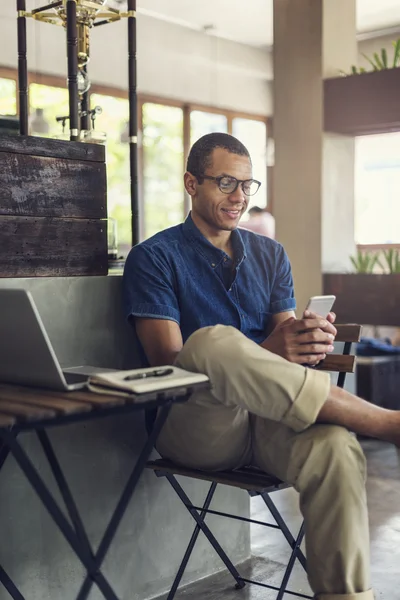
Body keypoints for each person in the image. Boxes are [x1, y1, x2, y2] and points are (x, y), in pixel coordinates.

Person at [123, 132, 400, 600]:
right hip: (197, 423)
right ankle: (385, 423)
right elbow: (170, 365)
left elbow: (285, 346)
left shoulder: (270, 255)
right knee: (210, 343)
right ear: (192, 183)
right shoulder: (154, 257)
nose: (239, 198)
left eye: (247, 185)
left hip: (270, 420)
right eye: (226, 182)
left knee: (333, 445)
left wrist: (309, 340)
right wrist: (271, 348)